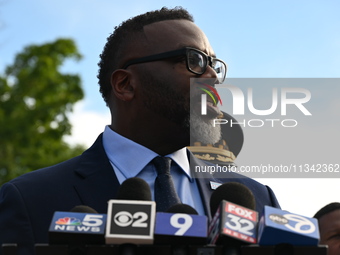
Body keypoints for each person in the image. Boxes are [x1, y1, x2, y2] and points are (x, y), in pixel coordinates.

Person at [0, 7, 280, 254]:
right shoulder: (30, 200)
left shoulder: (258, 199)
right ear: (125, 84)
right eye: (194, 60)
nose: (212, 78)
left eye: (214, 65)